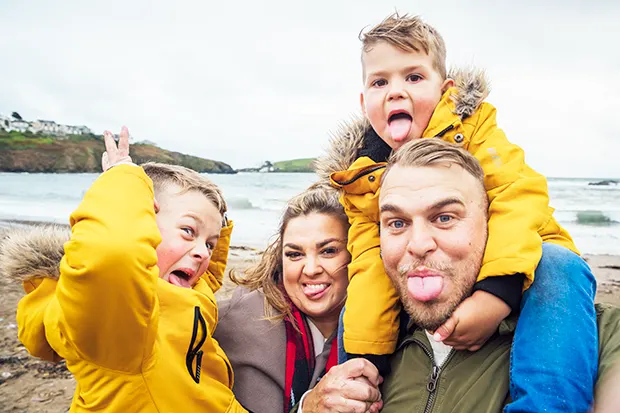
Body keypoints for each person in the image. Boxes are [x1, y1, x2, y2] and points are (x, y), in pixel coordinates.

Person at [315, 12, 598, 412]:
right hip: (430, 284)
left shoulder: (475, 129)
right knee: (360, 295)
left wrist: (497, 293)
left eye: (413, 77)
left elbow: (518, 196)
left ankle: (544, 404)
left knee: (558, 266)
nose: (396, 91)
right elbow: (370, 263)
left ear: (445, 90)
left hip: (525, 252)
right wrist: (366, 358)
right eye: (380, 82)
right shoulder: (364, 177)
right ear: (364, 102)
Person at [307, 138, 620, 413]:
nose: (418, 245)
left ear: (490, 223)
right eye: (397, 223)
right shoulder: (362, 326)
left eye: (444, 218)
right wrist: (309, 406)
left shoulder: (597, 334)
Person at [3, 127, 247, 412]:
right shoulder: (121, 318)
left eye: (209, 244)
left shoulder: (184, 293)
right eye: (188, 230)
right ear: (142, 225)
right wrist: (123, 181)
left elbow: (207, 281)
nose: (202, 253)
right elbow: (113, 253)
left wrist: (218, 228)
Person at [213, 184, 382, 413]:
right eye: (294, 254)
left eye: (328, 251)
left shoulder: (388, 326)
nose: (310, 269)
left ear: (356, 253)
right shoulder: (233, 325)